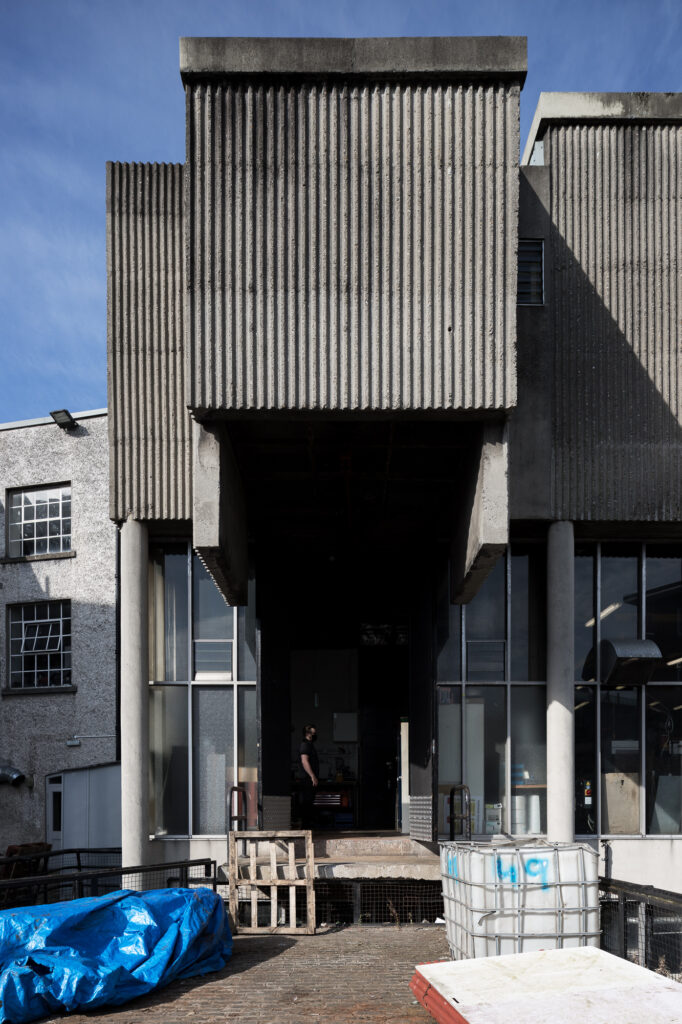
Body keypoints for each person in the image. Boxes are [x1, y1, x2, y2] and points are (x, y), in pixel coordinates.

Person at [299, 724, 319, 829]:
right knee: (307, 802)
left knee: (309, 802)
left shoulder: (310, 745)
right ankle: (305, 827)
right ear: (308, 733)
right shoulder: (305, 745)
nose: (315, 735)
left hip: (309, 779)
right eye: (313, 733)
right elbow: (304, 761)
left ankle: (307, 826)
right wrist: (312, 776)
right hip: (307, 779)